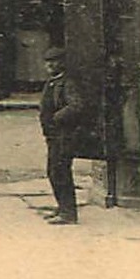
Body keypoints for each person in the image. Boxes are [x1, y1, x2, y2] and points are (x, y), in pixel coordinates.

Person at [39, 45, 86, 224]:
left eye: (54, 62)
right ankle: (62, 207)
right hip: (54, 135)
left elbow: (77, 106)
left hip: (64, 134)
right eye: (48, 62)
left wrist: (56, 117)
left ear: (62, 63)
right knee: (54, 171)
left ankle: (68, 213)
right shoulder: (53, 81)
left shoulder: (68, 83)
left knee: (60, 171)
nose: (50, 65)